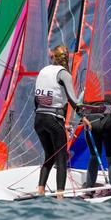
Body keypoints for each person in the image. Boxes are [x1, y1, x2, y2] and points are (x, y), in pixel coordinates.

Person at [33, 45, 85, 198]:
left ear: (53, 57)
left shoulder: (43, 71)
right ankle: (60, 196)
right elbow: (73, 100)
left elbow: (36, 100)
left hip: (39, 120)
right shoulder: (64, 74)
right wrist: (84, 117)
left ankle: (40, 190)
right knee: (61, 157)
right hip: (53, 120)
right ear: (67, 58)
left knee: (49, 155)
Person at [83, 95, 111, 195]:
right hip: (108, 121)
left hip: (91, 122)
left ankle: (89, 191)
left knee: (94, 157)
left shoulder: (87, 90)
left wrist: (83, 117)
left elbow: (78, 107)